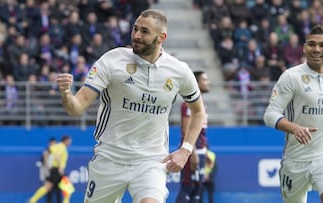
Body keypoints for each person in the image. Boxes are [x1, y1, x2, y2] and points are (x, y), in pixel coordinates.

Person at [56, 9, 206, 203]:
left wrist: (185, 150)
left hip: (151, 161)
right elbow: (76, 107)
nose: (136, 35)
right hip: (110, 158)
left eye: (144, 31)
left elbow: (198, 112)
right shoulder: (112, 61)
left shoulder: (179, 71)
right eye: (135, 29)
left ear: (162, 37)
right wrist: (66, 94)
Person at [263, 25, 323, 203]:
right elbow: (270, 115)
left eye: (322, 45)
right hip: (295, 160)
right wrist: (295, 128)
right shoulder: (291, 77)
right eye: (312, 44)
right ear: (304, 48)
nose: (317, 49)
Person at [176, 71, 211, 203]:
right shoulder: (188, 104)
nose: (208, 83)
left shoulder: (203, 104)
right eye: (205, 80)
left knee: (198, 189)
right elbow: (186, 130)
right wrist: (193, 152)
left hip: (201, 151)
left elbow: (202, 131)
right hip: (191, 151)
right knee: (188, 187)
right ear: (196, 82)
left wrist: (205, 152)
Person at [29, 135, 72, 203]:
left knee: (48, 186)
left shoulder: (56, 146)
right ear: (66, 140)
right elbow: (57, 157)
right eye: (69, 141)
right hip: (58, 170)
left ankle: (32, 200)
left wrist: (47, 165)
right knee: (68, 186)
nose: (70, 142)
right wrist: (60, 167)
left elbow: (45, 153)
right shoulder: (62, 148)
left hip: (54, 170)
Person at [36, 137, 62, 203]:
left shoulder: (57, 152)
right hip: (49, 173)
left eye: (55, 143)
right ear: (49, 143)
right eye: (52, 143)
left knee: (58, 189)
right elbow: (43, 163)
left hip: (55, 173)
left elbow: (59, 162)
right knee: (49, 190)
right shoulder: (47, 152)